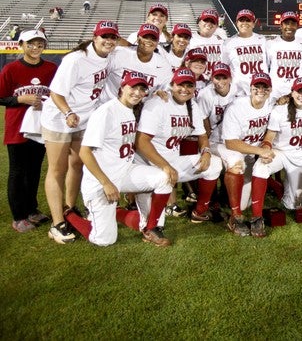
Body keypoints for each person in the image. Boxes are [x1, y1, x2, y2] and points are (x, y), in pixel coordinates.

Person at [63, 72, 175, 246]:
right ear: (122, 88)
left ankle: (151, 228)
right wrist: (106, 183)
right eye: (133, 87)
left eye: (142, 89)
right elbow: (84, 152)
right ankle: (69, 215)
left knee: (164, 178)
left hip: (124, 172)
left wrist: (158, 94)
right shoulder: (106, 112)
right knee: (104, 240)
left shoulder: (131, 109)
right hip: (101, 180)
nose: (137, 93)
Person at [40, 20, 121, 244]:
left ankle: (69, 208)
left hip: (85, 118)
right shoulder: (76, 59)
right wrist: (67, 113)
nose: (109, 41)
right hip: (59, 117)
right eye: (104, 36)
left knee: (78, 164)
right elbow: (56, 93)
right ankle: (57, 224)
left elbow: (126, 44)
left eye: (112, 37)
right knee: (57, 169)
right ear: (95, 37)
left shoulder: (110, 55)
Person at [134, 67, 222, 229]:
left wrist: (206, 152)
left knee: (215, 164)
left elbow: (202, 135)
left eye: (189, 86)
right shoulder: (157, 103)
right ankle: (123, 213)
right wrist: (165, 166)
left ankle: (200, 211)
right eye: (180, 85)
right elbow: (141, 142)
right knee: (150, 225)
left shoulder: (192, 105)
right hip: (150, 164)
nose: (185, 89)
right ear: (172, 85)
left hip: (173, 159)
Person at [0, 29, 57, 232]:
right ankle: (19, 216)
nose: (35, 48)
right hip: (17, 128)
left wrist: (47, 103)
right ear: (21, 45)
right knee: (17, 172)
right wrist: (19, 99)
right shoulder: (11, 69)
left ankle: (32, 210)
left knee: (34, 171)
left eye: (39, 44)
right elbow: (1, 97)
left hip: (41, 127)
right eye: (31, 44)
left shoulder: (51, 68)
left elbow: (57, 95)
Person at [249, 77, 302, 236]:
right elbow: (269, 136)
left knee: (292, 204)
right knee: (261, 167)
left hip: (300, 160)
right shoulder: (280, 110)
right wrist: (266, 149)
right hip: (281, 153)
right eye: (298, 91)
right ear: (292, 92)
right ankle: (257, 217)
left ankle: (278, 187)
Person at [217, 72, 275, 236]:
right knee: (236, 162)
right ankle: (235, 217)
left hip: (249, 152)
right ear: (250, 88)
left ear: (270, 90)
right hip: (222, 145)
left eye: (265, 87)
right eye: (257, 87)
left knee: (244, 203)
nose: (260, 90)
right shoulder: (237, 107)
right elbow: (231, 143)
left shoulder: (272, 103)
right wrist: (261, 151)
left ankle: (229, 200)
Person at [196, 62, 238, 216]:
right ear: (211, 78)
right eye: (217, 78)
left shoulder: (238, 90)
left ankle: (226, 196)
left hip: (234, 137)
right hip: (214, 137)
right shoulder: (206, 94)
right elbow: (203, 118)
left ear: (230, 78)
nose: (220, 82)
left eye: (224, 77)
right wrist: (207, 141)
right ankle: (212, 200)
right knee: (216, 165)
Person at [98, 23, 173, 106]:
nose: (148, 41)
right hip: (109, 106)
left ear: (157, 42)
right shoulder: (118, 54)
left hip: (139, 113)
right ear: (138, 38)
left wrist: (162, 93)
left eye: (153, 38)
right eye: (145, 37)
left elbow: (169, 88)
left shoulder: (163, 65)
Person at [220, 9, 269, 97]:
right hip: (239, 92)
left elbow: (269, 64)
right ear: (237, 23)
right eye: (241, 20)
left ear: (253, 24)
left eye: (248, 20)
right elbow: (224, 66)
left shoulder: (262, 40)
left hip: (261, 89)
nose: (245, 23)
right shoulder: (228, 43)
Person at [266, 11, 302, 102]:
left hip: (297, 92)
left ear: (297, 26)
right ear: (281, 26)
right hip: (275, 93)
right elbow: (265, 68)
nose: (289, 27)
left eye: (293, 24)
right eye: (286, 23)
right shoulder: (270, 44)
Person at [189, 8, 225, 79]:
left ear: (217, 26)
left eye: (212, 21)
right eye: (206, 20)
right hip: (195, 81)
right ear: (199, 22)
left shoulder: (221, 41)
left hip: (216, 82)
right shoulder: (189, 39)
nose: (209, 24)